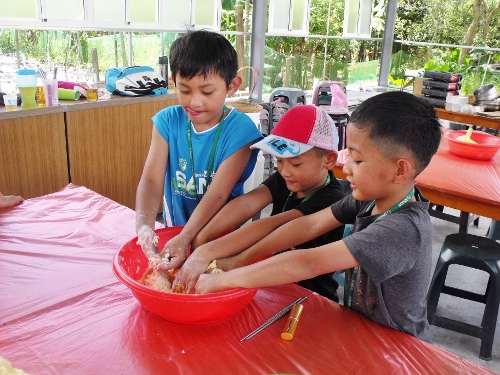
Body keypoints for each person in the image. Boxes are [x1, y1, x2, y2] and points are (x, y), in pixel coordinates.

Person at [195, 91, 442, 342]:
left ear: (399, 169)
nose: (346, 169)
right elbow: (309, 224)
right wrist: (232, 259)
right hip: (365, 330)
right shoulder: (370, 198)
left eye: (357, 160)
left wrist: (224, 280)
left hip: (400, 348)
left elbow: (307, 262)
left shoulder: (401, 230)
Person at [175, 105, 345, 300]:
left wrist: (212, 254)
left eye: (295, 163)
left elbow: (273, 225)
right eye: (279, 161)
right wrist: (201, 239)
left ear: (329, 160)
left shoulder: (332, 198)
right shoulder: (288, 179)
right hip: (273, 284)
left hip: (310, 297)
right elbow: (247, 204)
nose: (284, 171)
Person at [135, 30, 263, 269]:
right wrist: (145, 227)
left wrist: (188, 236)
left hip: (222, 242)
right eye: (184, 90)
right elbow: (151, 181)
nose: (194, 102)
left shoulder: (240, 131)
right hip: (175, 233)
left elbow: (218, 194)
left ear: (232, 85)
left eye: (206, 92)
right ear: (174, 81)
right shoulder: (167, 122)